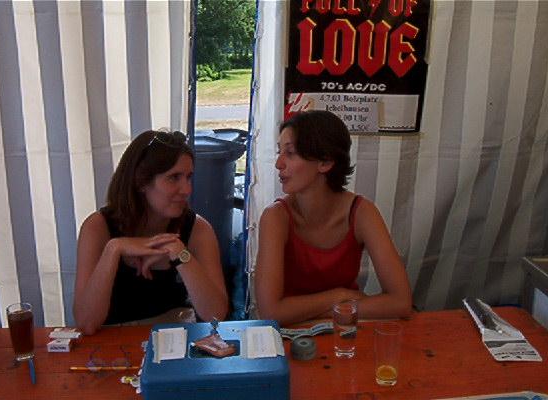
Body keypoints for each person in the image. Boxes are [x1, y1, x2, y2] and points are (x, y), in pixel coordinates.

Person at [255, 110, 412, 326]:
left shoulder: (361, 212)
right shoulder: (275, 217)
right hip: (291, 336)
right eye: (279, 151)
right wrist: (339, 297)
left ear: (326, 162)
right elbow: (270, 312)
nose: (278, 163)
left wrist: (324, 312)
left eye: (290, 153)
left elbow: (401, 302)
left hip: (344, 331)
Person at [74, 130, 228, 335]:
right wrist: (114, 248)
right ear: (141, 182)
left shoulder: (198, 229)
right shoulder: (97, 227)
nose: (187, 189)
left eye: (189, 177)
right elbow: (86, 323)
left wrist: (179, 253)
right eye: (174, 178)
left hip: (175, 343)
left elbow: (216, 315)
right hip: (113, 346)